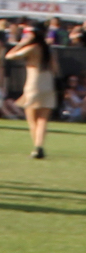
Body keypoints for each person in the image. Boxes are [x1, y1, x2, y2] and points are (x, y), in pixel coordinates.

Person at [5, 21, 55, 158]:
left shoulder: (32, 48)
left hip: (34, 84)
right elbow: (55, 69)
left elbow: (9, 56)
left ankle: (37, 147)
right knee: (43, 119)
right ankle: (39, 145)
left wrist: (21, 43)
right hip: (48, 83)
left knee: (32, 119)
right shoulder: (48, 49)